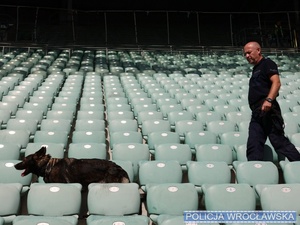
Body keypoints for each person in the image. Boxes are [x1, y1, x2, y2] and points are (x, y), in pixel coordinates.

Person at [243, 41, 300, 161]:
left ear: (258, 50)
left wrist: (269, 100)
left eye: (249, 52)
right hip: (257, 113)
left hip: (268, 110)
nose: (247, 56)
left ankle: (297, 162)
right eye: (245, 54)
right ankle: (254, 171)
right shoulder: (256, 69)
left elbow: (276, 82)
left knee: (279, 142)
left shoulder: (267, 63)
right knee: (254, 144)